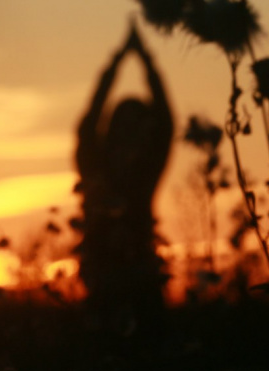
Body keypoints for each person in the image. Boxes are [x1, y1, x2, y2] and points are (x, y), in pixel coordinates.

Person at [75, 24, 173, 335]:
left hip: (143, 280)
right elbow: (92, 116)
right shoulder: (94, 166)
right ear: (113, 128)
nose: (134, 135)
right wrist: (117, 62)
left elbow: (167, 122)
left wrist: (147, 61)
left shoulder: (144, 173)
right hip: (101, 279)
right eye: (127, 126)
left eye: (140, 128)